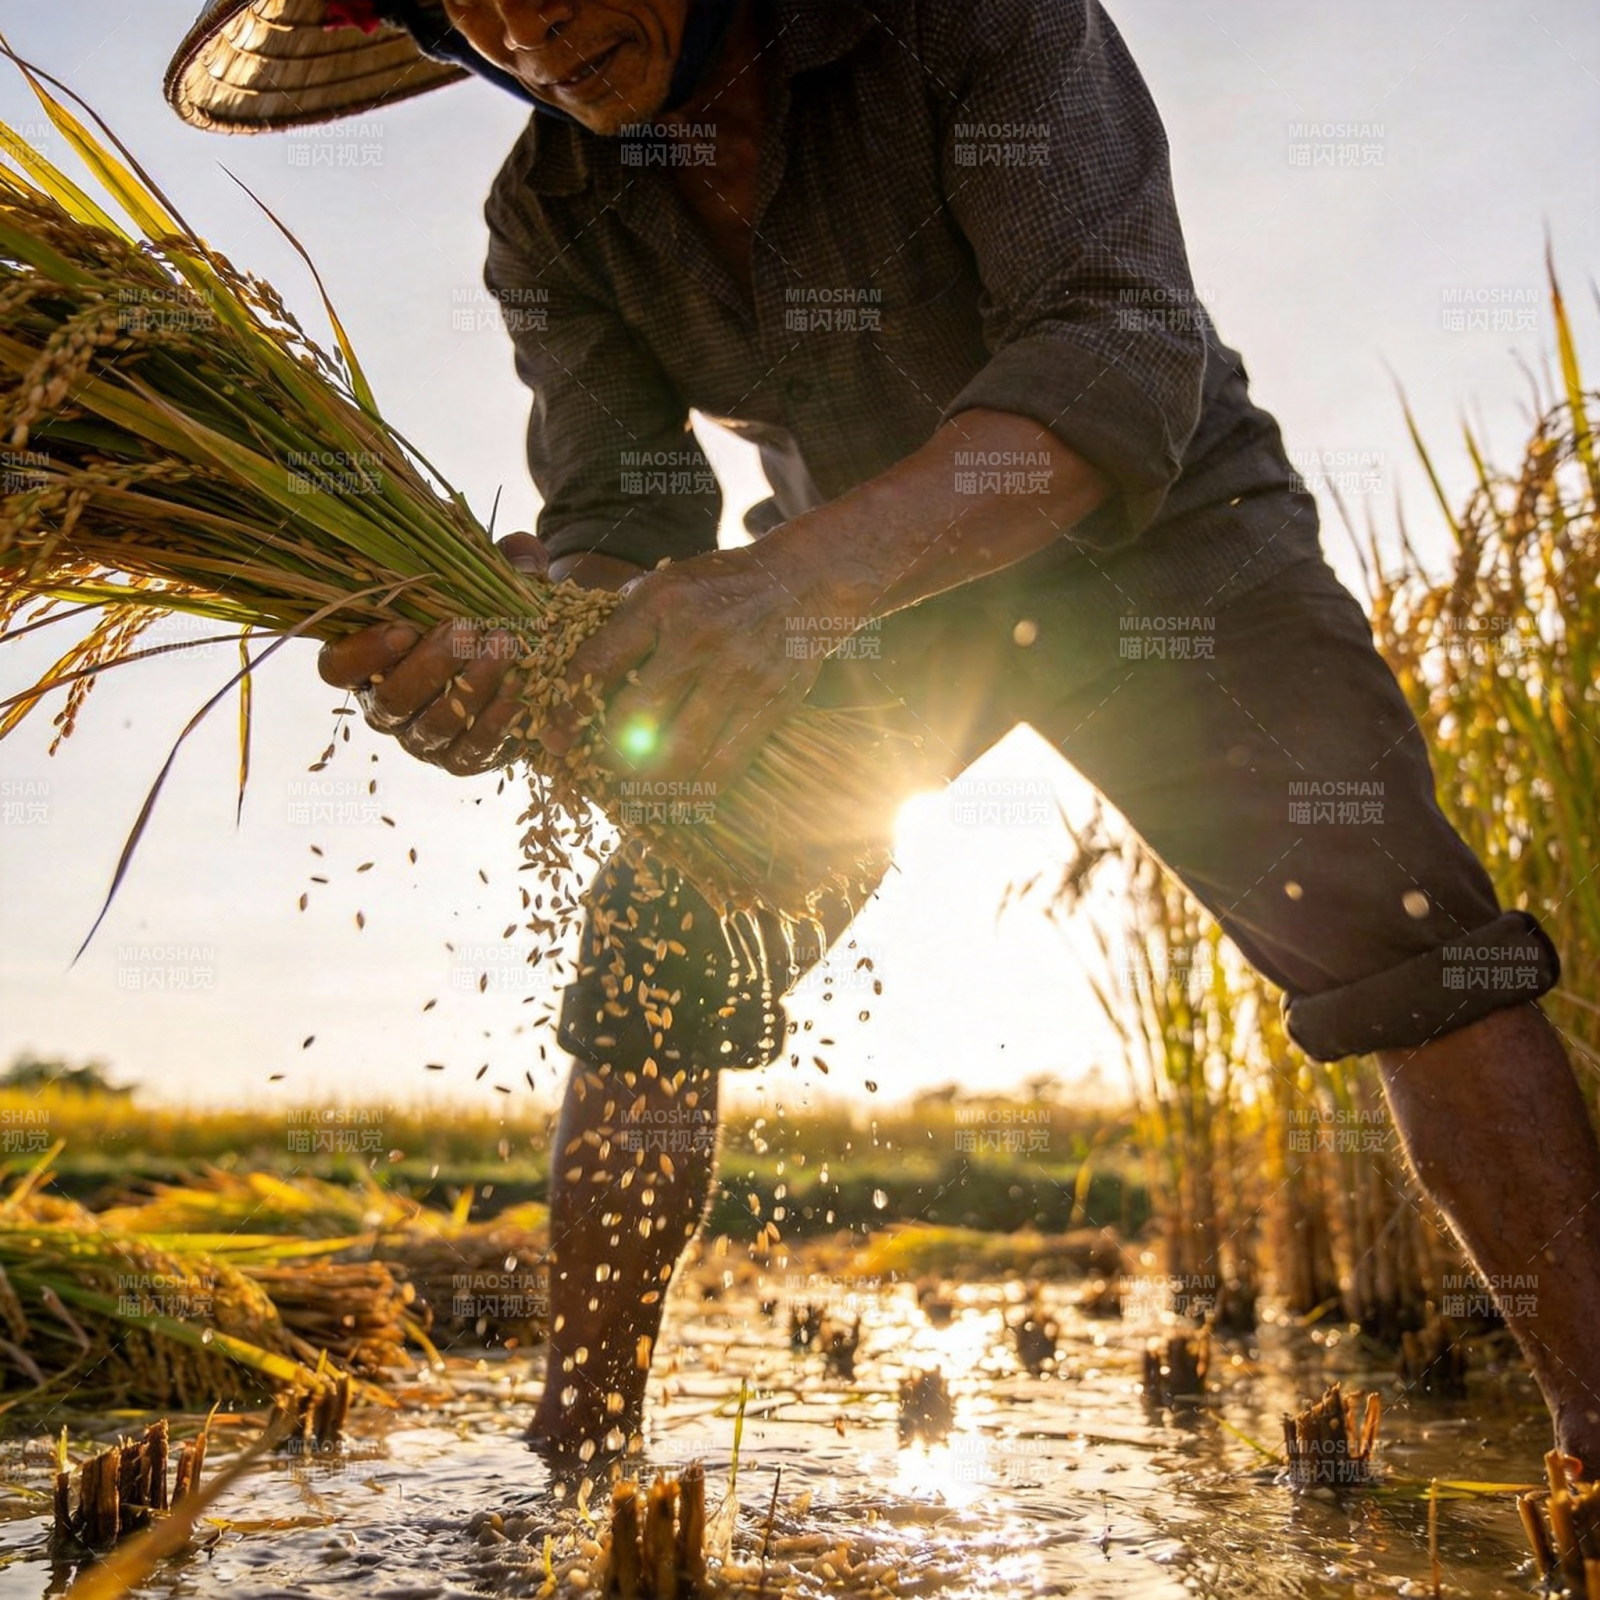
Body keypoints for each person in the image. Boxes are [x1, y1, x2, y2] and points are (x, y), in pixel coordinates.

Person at [170, 0, 1600, 1474]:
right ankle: (576, 1459)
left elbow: (1115, 341)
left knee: (1409, 934)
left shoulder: (970, 17)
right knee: (653, 946)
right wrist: (512, 656)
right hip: (861, 610)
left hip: (1161, 539)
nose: (531, 22)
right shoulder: (553, 214)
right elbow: (623, 531)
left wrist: (794, 587)